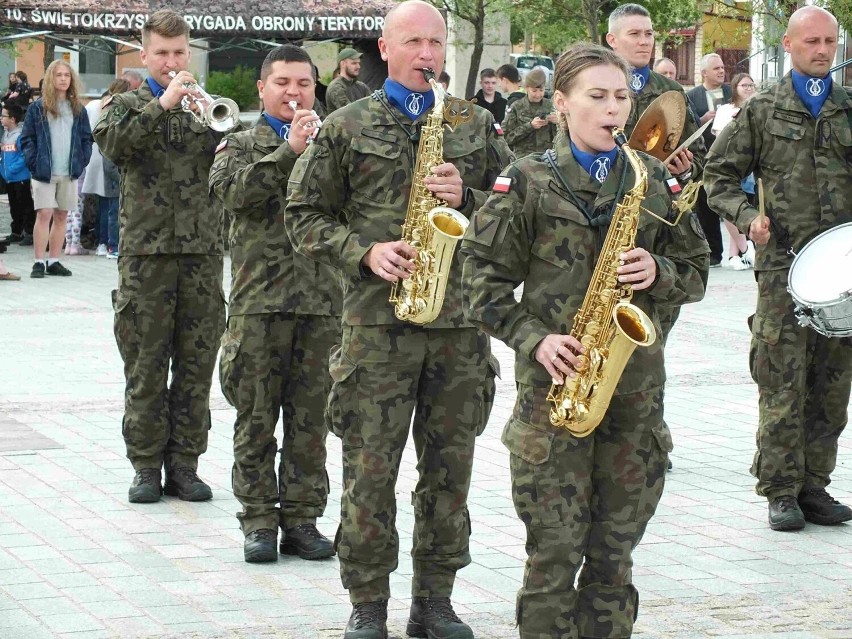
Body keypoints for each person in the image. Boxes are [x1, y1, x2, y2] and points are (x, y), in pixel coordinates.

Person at [461, 42, 708, 639]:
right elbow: (478, 281)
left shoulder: (650, 180)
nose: (612, 110)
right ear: (564, 103)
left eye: (621, 97)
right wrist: (535, 339)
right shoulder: (524, 181)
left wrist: (661, 272)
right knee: (552, 561)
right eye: (597, 97)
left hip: (634, 399)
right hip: (555, 399)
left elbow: (697, 269)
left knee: (613, 561)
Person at [284, 2, 512, 636]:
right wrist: (364, 251)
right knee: (369, 473)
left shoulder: (473, 125)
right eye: (413, 41)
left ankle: (434, 601)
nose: (427, 53)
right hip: (375, 330)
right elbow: (302, 215)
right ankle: (368, 605)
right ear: (386, 47)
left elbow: (514, 207)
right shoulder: (346, 125)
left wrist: (466, 196)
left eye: (435, 42)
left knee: (450, 473)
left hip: (459, 328)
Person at [705, 5, 852, 532]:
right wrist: (748, 217)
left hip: (841, 276)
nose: (821, 50)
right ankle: (781, 490)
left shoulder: (847, 108)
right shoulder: (763, 110)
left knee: (833, 383)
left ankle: (815, 486)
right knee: (782, 380)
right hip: (783, 270)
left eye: (829, 42)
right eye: (811, 41)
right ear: (787, 45)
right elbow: (717, 176)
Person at [94, 9, 235, 505]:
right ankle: (145, 466)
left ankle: (185, 465)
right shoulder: (125, 105)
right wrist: (162, 105)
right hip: (146, 257)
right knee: (146, 366)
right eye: (162, 54)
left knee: (196, 368)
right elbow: (113, 147)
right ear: (143, 52)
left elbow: (233, 155)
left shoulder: (208, 107)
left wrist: (206, 115)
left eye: (179, 53)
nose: (171, 62)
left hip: (201, 255)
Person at [209, 45, 340, 564]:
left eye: (304, 83)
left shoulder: (336, 142)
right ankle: (259, 519)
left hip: (322, 304)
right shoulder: (239, 142)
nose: (294, 92)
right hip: (258, 305)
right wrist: (288, 151)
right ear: (262, 88)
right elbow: (235, 195)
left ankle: (303, 519)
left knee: (311, 422)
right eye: (283, 82)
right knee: (256, 419)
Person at [20, 60, 92, 279]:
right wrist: (33, 162)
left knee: (61, 216)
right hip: (44, 171)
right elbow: (27, 138)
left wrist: (82, 161)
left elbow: (86, 138)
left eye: (67, 75)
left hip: (69, 171)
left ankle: (54, 260)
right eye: (59, 75)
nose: (63, 79)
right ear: (51, 78)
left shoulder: (78, 108)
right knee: (44, 214)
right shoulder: (37, 107)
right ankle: (38, 261)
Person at [686, 53, 731, 267]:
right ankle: (714, 253)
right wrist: (701, 120)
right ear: (704, 73)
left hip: (731, 155)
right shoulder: (692, 96)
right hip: (705, 158)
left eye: (722, 67)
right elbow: (688, 126)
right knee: (706, 205)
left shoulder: (731, 92)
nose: (721, 71)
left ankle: (743, 249)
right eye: (716, 68)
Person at [711, 72, 757, 271]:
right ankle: (746, 248)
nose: (748, 88)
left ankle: (733, 256)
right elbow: (720, 138)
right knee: (731, 209)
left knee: (744, 206)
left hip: (753, 168)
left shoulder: (758, 108)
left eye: (751, 85)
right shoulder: (726, 110)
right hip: (732, 165)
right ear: (735, 88)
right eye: (744, 85)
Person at [83, 79, 129, 258]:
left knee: (105, 204)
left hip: (97, 158)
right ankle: (110, 244)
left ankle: (102, 242)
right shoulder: (115, 107)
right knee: (112, 208)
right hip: (108, 161)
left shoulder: (97, 104)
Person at [501, 68, 557, 157]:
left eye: (541, 90)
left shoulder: (551, 106)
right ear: (527, 88)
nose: (538, 95)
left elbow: (565, 135)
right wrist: (530, 126)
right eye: (534, 91)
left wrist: (558, 122)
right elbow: (505, 137)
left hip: (546, 158)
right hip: (524, 160)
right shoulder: (517, 107)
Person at [1, 104, 36, 245]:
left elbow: (24, 156)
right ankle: (16, 232)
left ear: (13, 119)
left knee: (25, 206)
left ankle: (29, 233)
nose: (1, 118)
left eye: (3, 116)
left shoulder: (20, 136)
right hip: (9, 178)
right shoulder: (5, 135)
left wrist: (11, 168)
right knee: (14, 206)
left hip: (20, 178)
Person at [325, 48, 371, 112]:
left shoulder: (362, 86)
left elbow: (373, 106)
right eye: (354, 63)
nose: (358, 66)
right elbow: (350, 112)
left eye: (358, 63)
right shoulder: (335, 87)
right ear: (343, 64)